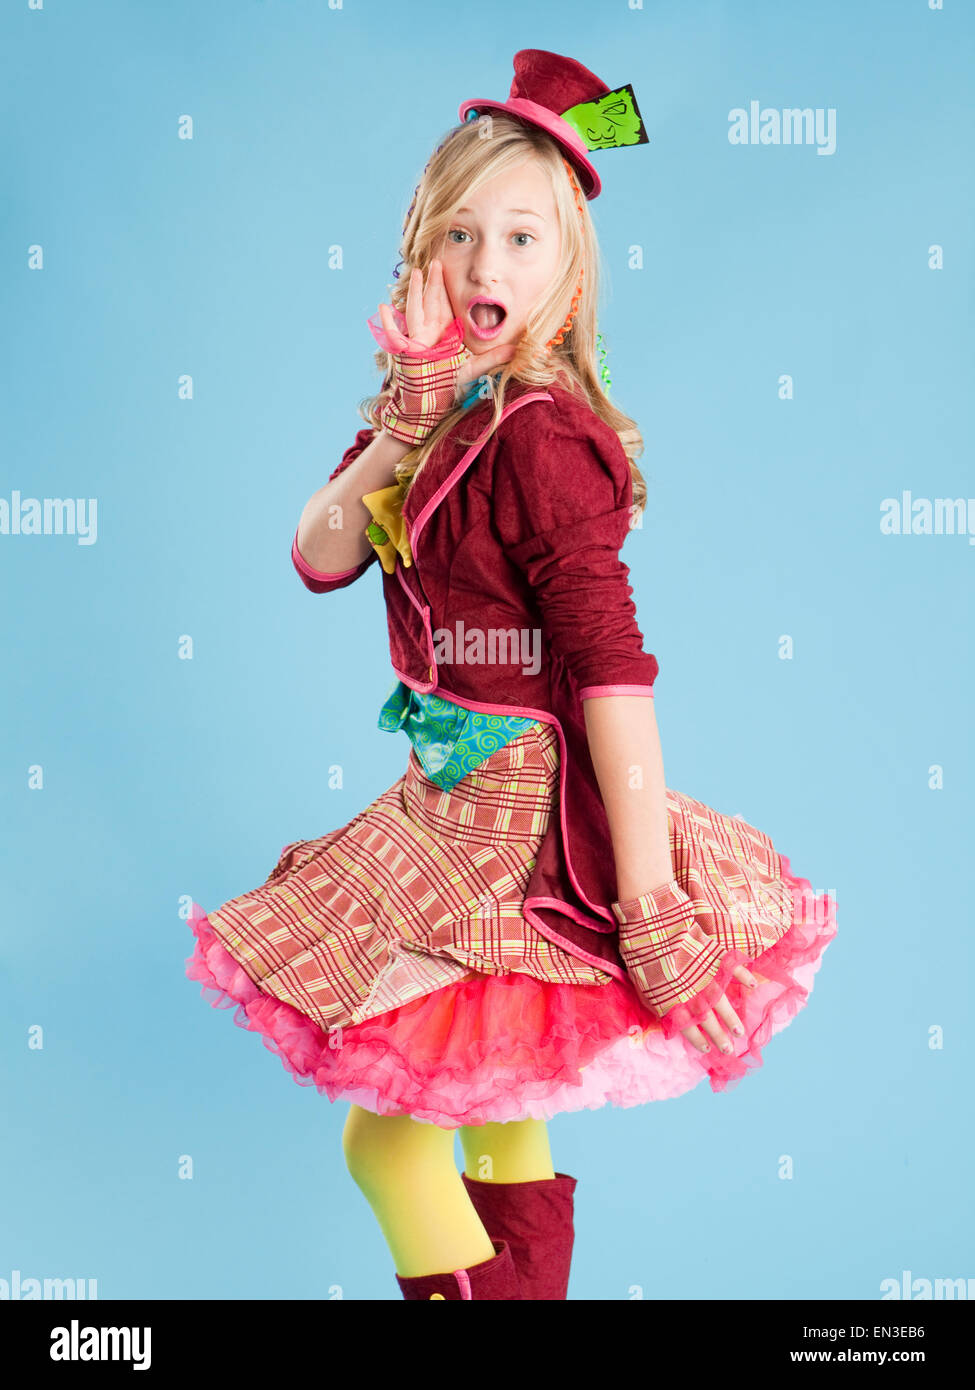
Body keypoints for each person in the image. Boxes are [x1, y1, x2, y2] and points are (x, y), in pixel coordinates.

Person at [184, 49, 837, 1301]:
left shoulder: (540, 435)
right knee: (498, 1111)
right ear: (419, 256)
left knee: (388, 1139)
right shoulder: (440, 417)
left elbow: (610, 673)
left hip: (520, 831)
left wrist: (650, 903)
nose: (490, 267)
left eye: (524, 237)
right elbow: (318, 553)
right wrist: (406, 417)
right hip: (441, 807)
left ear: (570, 267)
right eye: (463, 234)